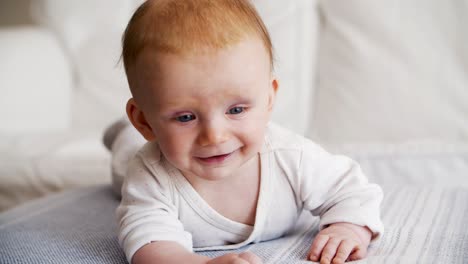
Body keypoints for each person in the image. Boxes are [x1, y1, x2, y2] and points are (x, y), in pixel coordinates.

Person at [108, 0, 384, 263]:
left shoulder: (292, 157)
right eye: (186, 117)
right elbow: (149, 243)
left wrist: (348, 228)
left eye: (236, 110)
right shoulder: (151, 174)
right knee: (126, 154)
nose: (215, 136)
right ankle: (122, 133)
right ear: (143, 121)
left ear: (268, 99)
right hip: (134, 154)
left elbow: (352, 191)